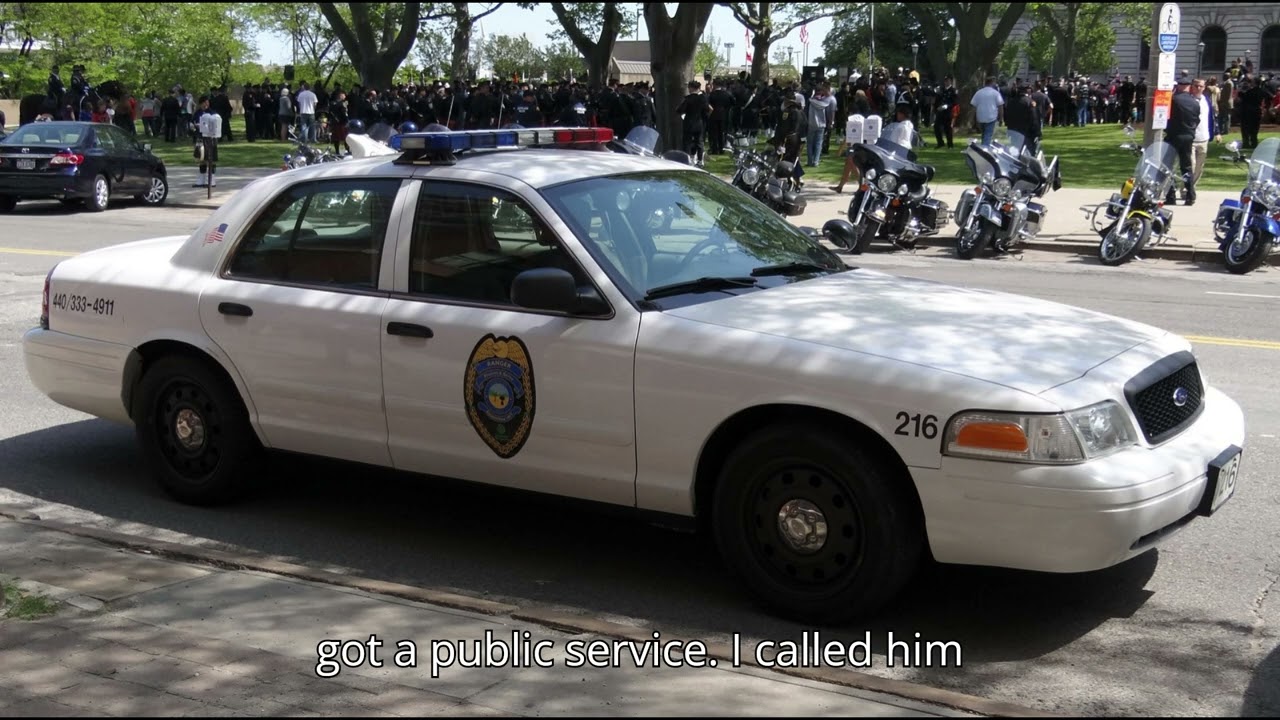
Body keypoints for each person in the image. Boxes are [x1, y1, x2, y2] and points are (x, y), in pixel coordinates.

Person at [1165, 79, 1199, 205]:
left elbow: (1167, 117)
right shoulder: (1195, 102)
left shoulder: (1173, 99)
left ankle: (1171, 195)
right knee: (1186, 166)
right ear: (1189, 87)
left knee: (1168, 166)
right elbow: (1197, 120)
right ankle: (1190, 195)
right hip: (1188, 136)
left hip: (1173, 135)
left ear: (1178, 86)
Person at [1189, 78, 1220, 190]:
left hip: (1204, 137)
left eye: (1201, 86)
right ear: (1192, 86)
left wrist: (1217, 132)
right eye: (1196, 86)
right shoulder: (1188, 100)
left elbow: (1212, 118)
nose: (1198, 88)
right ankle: (1186, 188)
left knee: (1199, 167)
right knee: (1191, 165)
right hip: (1191, 138)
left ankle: (1192, 187)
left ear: (1204, 87)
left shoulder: (1206, 100)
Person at [677, 80, 709, 166]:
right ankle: (700, 160)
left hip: (689, 123)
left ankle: (687, 159)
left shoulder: (688, 99)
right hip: (699, 123)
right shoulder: (702, 98)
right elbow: (707, 109)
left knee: (687, 142)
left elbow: (680, 110)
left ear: (691, 88)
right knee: (699, 142)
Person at [804, 82, 836, 166]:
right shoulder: (824, 102)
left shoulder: (810, 101)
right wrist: (830, 122)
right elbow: (828, 113)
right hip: (822, 124)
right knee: (819, 143)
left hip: (811, 123)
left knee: (810, 143)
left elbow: (806, 112)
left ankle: (810, 161)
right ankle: (816, 161)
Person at [193, 96, 222, 188]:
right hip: (200, 137)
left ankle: (211, 180)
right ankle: (201, 179)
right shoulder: (197, 113)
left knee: (210, 158)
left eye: (207, 102)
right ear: (201, 103)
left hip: (210, 139)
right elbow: (193, 122)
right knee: (201, 158)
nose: (206, 104)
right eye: (204, 102)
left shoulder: (212, 112)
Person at [971, 77, 1004, 146]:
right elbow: (1000, 106)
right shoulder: (996, 93)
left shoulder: (978, 93)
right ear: (992, 82)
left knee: (984, 135)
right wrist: (1001, 118)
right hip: (991, 117)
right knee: (987, 135)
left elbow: (974, 106)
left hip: (980, 117)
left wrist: (973, 118)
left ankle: (983, 147)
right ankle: (984, 149)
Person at [934, 76, 957, 149]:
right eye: (945, 81)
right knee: (936, 127)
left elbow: (955, 101)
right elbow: (937, 100)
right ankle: (940, 143)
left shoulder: (953, 90)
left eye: (948, 81)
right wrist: (936, 108)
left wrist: (947, 106)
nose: (946, 82)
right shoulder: (941, 90)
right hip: (940, 111)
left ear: (951, 81)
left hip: (948, 112)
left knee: (948, 129)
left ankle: (950, 144)